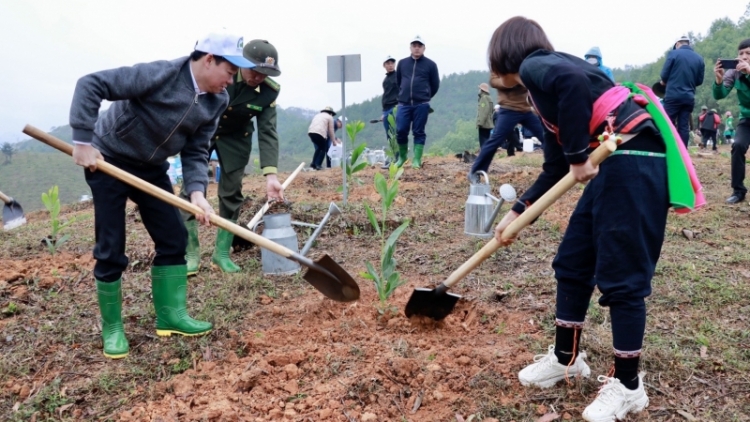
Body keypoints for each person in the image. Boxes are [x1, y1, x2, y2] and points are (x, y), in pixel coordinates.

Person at [488, 17, 702, 421]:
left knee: (622, 278)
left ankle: (628, 386)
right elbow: (555, 169)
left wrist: (576, 156)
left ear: (504, 54)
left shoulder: (538, 66)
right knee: (573, 262)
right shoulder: (542, 93)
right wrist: (518, 213)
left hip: (635, 156)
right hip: (614, 160)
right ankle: (566, 358)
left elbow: (570, 84)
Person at [69, 30, 256, 359]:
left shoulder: (217, 100)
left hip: (152, 166)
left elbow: (197, 149)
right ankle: (112, 329)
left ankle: (171, 316)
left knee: (174, 237)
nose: (231, 81)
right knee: (111, 246)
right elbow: (91, 83)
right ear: (209, 59)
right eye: (229, 72)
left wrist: (197, 192)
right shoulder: (161, 75)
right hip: (108, 158)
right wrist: (83, 140)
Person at [182, 39, 284, 275]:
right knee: (192, 188)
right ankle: (190, 253)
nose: (258, 77)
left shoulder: (268, 91)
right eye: (254, 70)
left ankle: (222, 254)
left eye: (264, 73)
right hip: (202, 132)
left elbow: (268, 131)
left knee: (231, 193)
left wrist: (271, 176)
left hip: (236, 139)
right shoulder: (223, 73)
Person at [470, 71, 544, 174]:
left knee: (545, 135)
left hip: (525, 108)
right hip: (509, 108)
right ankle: (476, 171)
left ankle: (560, 165)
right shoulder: (499, 59)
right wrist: (512, 80)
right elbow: (494, 81)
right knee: (495, 140)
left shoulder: (523, 61)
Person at [714, 38, 750, 204]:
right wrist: (719, 80)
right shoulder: (734, 72)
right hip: (747, 119)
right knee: (737, 146)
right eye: (741, 53)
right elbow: (719, 95)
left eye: (748, 53)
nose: (744, 56)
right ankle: (738, 190)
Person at [395, 35, 440, 169]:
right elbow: (399, 81)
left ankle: (416, 159)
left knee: (418, 131)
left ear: (424, 48)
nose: (416, 48)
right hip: (404, 103)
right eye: (414, 46)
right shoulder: (402, 63)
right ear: (410, 47)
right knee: (401, 130)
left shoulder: (431, 65)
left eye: (419, 46)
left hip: (421, 104)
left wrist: (426, 96)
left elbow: (435, 84)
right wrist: (403, 93)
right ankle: (402, 157)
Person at [659, 35, 705, 147]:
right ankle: (683, 153)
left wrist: (666, 81)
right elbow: (699, 81)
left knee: (666, 123)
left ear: (677, 44)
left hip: (673, 96)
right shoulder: (699, 58)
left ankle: (666, 149)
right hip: (689, 97)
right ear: (688, 44)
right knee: (684, 126)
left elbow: (664, 75)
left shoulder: (674, 54)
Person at [476, 83, 494, 148]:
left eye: (480, 89)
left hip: (484, 124)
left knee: (483, 142)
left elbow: (483, 112)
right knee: (487, 140)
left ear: (482, 90)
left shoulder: (483, 98)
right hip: (489, 123)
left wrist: (480, 123)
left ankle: (484, 155)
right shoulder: (489, 98)